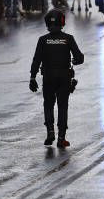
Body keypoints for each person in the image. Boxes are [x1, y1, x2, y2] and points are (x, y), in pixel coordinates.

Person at [29, 9, 84, 147]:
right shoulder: (68, 38)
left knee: (48, 104)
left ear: (47, 23)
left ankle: (50, 132)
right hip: (64, 78)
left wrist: (32, 77)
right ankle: (61, 138)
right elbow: (79, 57)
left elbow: (36, 60)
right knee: (62, 106)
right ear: (62, 22)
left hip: (48, 78)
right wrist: (75, 61)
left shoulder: (42, 40)